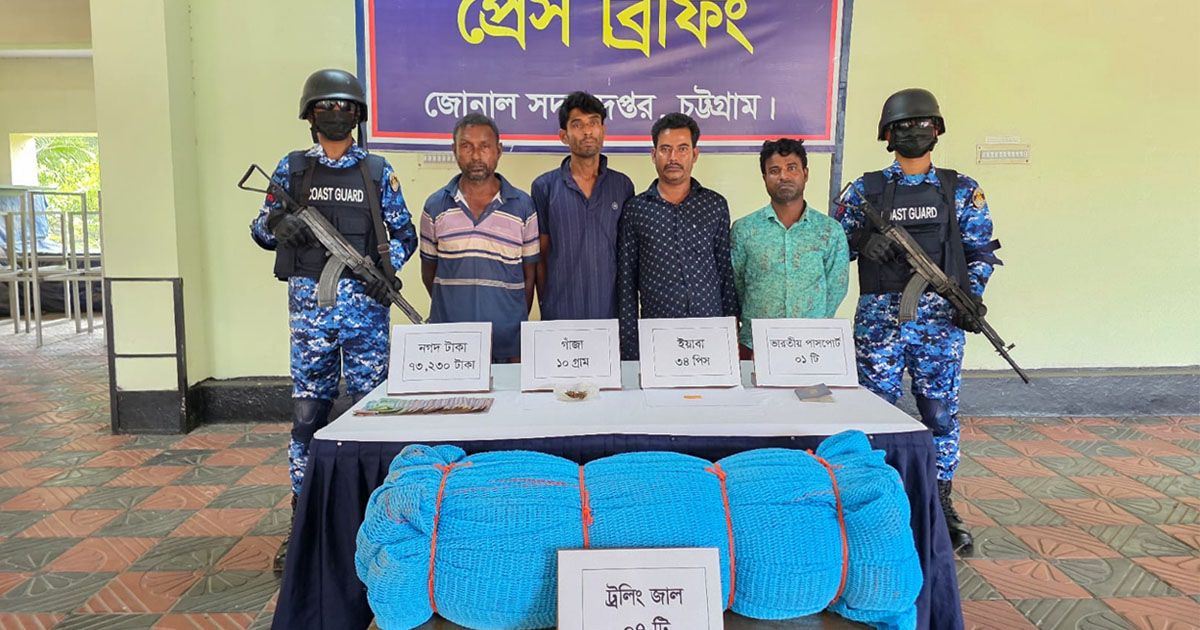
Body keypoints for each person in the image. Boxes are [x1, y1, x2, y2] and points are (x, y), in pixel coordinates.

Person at [249, 68, 417, 571]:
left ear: (358, 115)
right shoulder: (292, 169)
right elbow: (260, 228)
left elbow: (404, 233)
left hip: (367, 317)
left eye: (345, 107)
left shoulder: (377, 171)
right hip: (311, 320)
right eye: (326, 106)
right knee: (308, 417)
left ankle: (377, 515)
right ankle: (302, 522)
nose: (336, 114)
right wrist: (281, 224)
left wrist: (386, 273)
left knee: (375, 415)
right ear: (310, 115)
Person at [835, 88, 1003, 553]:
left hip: (940, 327)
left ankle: (940, 503)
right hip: (879, 328)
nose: (914, 131)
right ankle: (876, 502)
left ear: (938, 130)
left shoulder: (960, 189)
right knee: (874, 416)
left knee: (940, 416)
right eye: (904, 126)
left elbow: (980, 252)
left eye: (923, 123)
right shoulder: (863, 191)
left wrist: (971, 297)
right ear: (888, 136)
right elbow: (832, 245)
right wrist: (861, 242)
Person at [616, 113, 738, 359]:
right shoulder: (636, 209)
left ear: (695, 154)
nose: (673, 157)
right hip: (658, 334)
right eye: (665, 149)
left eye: (682, 149)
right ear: (654, 155)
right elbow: (627, 282)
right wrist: (630, 347)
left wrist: (731, 330)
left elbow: (725, 273)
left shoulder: (715, 205)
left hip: (710, 331)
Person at [420, 114, 539, 362]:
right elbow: (429, 273)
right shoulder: (435, 207)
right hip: (451, 342)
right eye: (466, 146)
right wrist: (454, 307)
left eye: (484, 146)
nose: (476, 156)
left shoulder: (523, 207)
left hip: (508, 343)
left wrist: (513, 319)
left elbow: (529, 276)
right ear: (454, 150)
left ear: (498, 150)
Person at [731, 138, 849, 358]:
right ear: (765, 178)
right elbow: (736, 284)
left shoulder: (829, 231)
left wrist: (813, 326)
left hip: (811, 345)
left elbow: (836, 287)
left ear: (805, 173)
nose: (783, 176)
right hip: (755, 344)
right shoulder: (744, 229)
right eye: (774, 171)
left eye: (791, 168)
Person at [532, 91, 635, 320]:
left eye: (594, 123)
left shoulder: (622, 186)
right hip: (560, 315)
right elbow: (541, 256)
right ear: (564, 136)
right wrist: (546, 306)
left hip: (611, 315)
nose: (587, 131)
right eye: (577, 125)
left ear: (603, 130)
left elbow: (627, 256)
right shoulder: (544, 187)